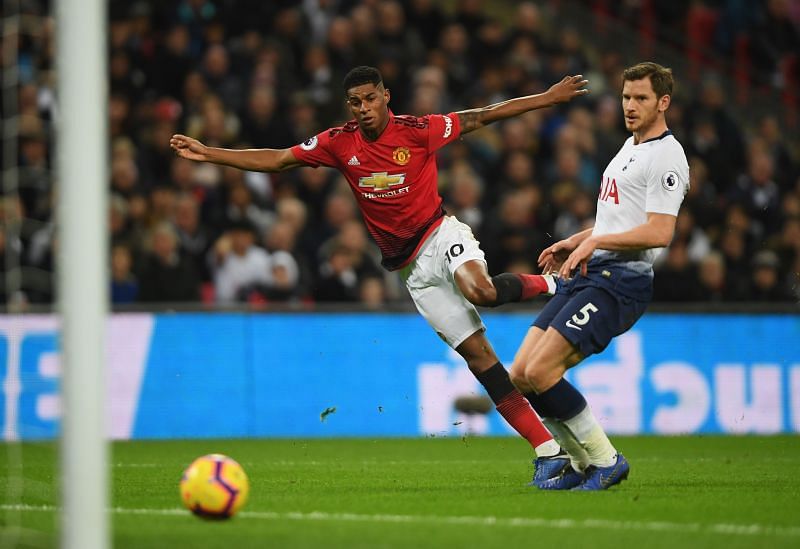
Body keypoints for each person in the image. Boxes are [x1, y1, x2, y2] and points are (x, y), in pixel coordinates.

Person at [171, 65, 589, 484]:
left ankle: (556, 283)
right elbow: (280, 159)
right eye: (355, 102)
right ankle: (547, 452)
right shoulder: (338, 143)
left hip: (441, 235)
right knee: (481, 359)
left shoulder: (418, 130)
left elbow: (480, 116)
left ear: (386, 96)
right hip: (411, 271)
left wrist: (546, 98)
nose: (364, 108)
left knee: (479, 289)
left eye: (371, 98)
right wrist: (210, 153)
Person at [510, 62, 690, 490]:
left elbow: (660, 232)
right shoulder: (627, 147)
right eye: (627, 97)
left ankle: (606, 461)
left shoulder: (667, 154)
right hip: (594, 271)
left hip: (622, 280)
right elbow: (616, 221)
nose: (630, 105)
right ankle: (578, 464)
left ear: (663, 102)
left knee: (543, 370)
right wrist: (578, 239)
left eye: (641, 98)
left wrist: (593, 245)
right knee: (520, 372)